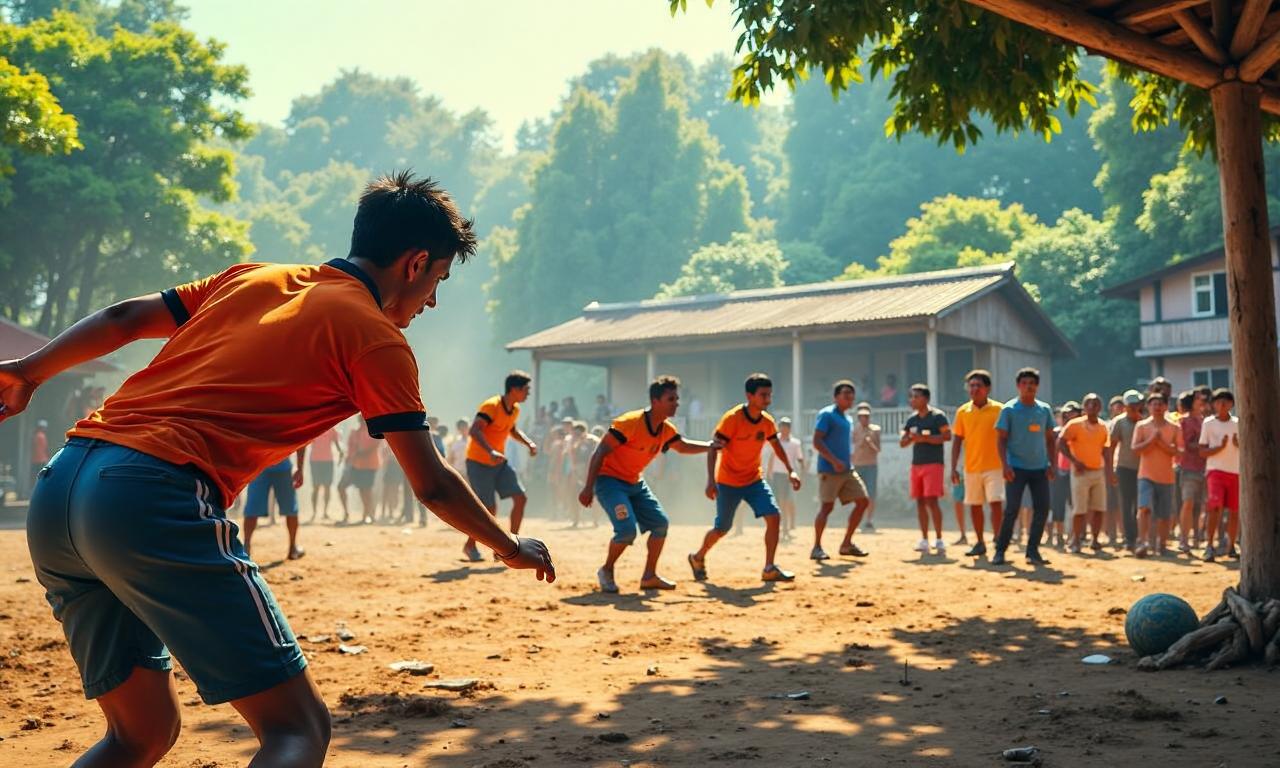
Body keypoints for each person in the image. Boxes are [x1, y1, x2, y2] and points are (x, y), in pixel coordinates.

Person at [2, 170, 554, 766]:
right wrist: (508, 545)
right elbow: (433, 482)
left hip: (59, 491)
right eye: (439, 280)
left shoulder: (252, 278)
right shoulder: (376, 340)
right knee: (298, 729)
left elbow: (124, 318)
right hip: (148, 496)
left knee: (140, 734)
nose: (433, 301)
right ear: (416, 263)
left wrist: (29, 371)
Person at [579, 376, 713, 592]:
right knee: (626, 531)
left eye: (677, 398)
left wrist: (711, 446)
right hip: (610, 482)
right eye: (671, 399)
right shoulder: (630, 422)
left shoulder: (666, 429)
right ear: (655, 401)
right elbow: (600, 451)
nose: (677, 403)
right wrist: (588, 487)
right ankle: (606, 570)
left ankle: (649, 576)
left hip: (635, 483)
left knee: (660, 524)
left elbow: (683, 446)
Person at [690, 373, 802, 582]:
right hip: (728, 483)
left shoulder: (767, 422)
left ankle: (769, 568)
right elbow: (714, 449)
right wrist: (710, 480)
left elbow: (777, 447)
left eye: (769, 395)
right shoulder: (732, 419)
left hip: (754, 481)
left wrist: (791, 470)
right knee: (722, 528)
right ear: (749, 396)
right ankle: (698, 557)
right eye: (763, 395)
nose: (768, 400)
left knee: (774, 516)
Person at [463, 371, 539, 562]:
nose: (528, 394)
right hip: (479, 462)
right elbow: (474, 430)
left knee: (520, 499)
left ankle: (510, 546)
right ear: (514, 389)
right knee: (489, 508)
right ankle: (470, 545)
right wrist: (490, 451)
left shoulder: (514, 410)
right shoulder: (491, 406)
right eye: (526, 390)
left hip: (499, 462)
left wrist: (528, 442)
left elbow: (512, 429)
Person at [992, 368, 1057, 566]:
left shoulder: (1044, 410)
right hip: (1016, 468)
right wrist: (1005, 465)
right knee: (1012, 509)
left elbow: (1050, 440)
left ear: (1037, 386)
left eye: (1032, 383)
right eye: (1025, 383)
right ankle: (1000, 551)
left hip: (1039, 468)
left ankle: (1032, 551)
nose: (1029, 386)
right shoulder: (1009, 410)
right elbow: (1001, 440)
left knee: (1042, 508)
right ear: (1018, 386)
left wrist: (1051, 463)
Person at [811, 380, 871, 560]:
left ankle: (846, 544)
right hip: (829, 470)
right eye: (845, 394)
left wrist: (846, 459)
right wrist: (834, 460)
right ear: (836, 397)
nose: (850, 397)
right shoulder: (827, 414)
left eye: (851, 394)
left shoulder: (847, 418)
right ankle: (816, 547)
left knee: (863, 501)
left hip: (846, 470)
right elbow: (817, 441)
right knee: (826, 507)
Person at [950, 369, 1005, 557]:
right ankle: (980, 542)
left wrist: (1008, 464)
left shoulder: (999, 410)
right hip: (971, 467)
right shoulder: (962, 412)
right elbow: (957, 441)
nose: (974, 389)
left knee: (996, 503)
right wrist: (953, 468)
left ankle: (999, 540)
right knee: (975, 505)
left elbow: (1006, 438)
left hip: (996, 466)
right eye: (971, 385)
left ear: (987, 388)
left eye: (978, 385)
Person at [1058, 394, 1112, 554]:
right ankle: (1075, 540)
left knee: (1099, 508)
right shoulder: (1074, 425)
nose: (1092, 407)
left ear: (1100, 408)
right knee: (1079, 509)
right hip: (1080, 473)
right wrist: (1074, 461)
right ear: (1083, 407)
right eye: (1088, 404)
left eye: (1095, 404)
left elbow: (1106, 450)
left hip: (1098, 471)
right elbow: (1061, 443)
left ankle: (1095, 540)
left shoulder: (1103, 426)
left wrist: (1109, 471)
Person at [1131, 392, 1183, 558]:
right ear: (1148, 406)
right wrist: (1152, 440)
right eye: (1154, 404)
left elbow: (1179, 452)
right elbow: (1136, 449)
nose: (1157, 407)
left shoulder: (1175, 427)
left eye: (1160, 404)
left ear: (1166, 406)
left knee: (1164, 514)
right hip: (1145, 475)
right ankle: (1143, 542)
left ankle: (1162, 545)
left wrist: (1160, 443)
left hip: (1166, 476)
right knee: (1144, 508)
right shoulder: (1141, 426)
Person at [901, 383, 950, 554]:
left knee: (932, 500)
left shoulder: (938, 417)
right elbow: (903, 442)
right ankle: (923, 540)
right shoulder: (911, 419)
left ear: (926, 398)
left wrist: (924, 439)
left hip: (933, 464)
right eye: (911, 396)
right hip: (917, 465)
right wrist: (909, 438)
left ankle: (939, 539)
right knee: (920, 501)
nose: (912, 400)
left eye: (916, 396)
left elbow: (947, 436)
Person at [1199, 388, 1240, 562]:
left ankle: (1231, 546)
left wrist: (1238, 445)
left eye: (1226, 401)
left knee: (1234, 511)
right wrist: (1219, 448)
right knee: (1214, 507)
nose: (1222, 405)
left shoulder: (1238, 423)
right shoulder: (1208, 423)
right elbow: (1202, 451)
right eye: (1218, 401)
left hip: (1236, 471)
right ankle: (1209, 545)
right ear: (1213, 404)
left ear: (1232, 404)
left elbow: (1248, 449)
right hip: (1215, 471)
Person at [243, 450, 306, 561]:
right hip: (270, 466)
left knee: (253, 508)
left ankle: (246, 549)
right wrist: (300, 468)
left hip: (261, 466)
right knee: (290, 508)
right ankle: (292, 548)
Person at [1110, 389, 1145, 551]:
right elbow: (1112, 447)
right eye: (1131, 405)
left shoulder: (1145, 422)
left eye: (1137, 405)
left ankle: (1141, 537)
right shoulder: (1119, 422)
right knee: (1126, 504)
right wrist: (1110, 470)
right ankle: (1129, 538)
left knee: (1141, 504)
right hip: (1124, 468)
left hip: (1143, 469)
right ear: (1125, 406)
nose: (1134, 408)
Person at [1175, 390, 1208, 554]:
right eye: (1197, 399)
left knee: (1200, 506)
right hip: (1188, 467)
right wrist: (1206, 447)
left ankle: (1196, 538)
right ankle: (1184, 539)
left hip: (1205, 467)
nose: (1201, 401)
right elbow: (1187, 445)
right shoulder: (1184, 422)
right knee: (1188, 503)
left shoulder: (1205, 421)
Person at [766, 416, 805, 542]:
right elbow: (772, 456)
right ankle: (782, 529)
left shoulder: (795, 443)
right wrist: (769, 473)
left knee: (786, 502)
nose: (784, 429)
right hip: (777, 475)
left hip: (789, 475)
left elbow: (800, 459)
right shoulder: (775, 440)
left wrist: (801, 473)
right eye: (782, 426)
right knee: (779, 503)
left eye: (786, 427)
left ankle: (786, 528)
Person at [1048, 402, 1080, 549]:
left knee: (1076, 505)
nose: (1068, 417)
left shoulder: (1081, 431)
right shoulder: (1055, 432)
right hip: (1059, 472)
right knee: (1057, 505)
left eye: (1073, 414)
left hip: (1077, 471)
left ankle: (1073, 536)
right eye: (1066, 414)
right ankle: (1059, 535)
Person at [851, 403, 881, 532]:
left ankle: (869, 520)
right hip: (857, 464)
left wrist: (870, 443)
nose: (864, 419)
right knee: (857, 494)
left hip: (871, 465)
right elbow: (851, 447)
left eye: (866, 416)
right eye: (861, 416)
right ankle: (857, 519)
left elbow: (878, 449)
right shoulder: (853, 430)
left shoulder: (875, 430)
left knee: (871, 494)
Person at [308, 425, 343, 522]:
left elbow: (337, 445)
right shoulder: (313, 428)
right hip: (315, 460)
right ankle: (314, 512)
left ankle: (325, 511)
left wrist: (341, 453)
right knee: (316, 487)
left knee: (327, 486)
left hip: (328, 461)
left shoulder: (332, 429)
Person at [30, 418, 50, 493]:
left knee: (34, 476)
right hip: (42, 460)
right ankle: (40, 491)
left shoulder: (34, 436)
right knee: (42, 477)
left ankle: (33, 490)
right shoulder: (42, 436)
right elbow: (46, 448)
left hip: (34, 460)